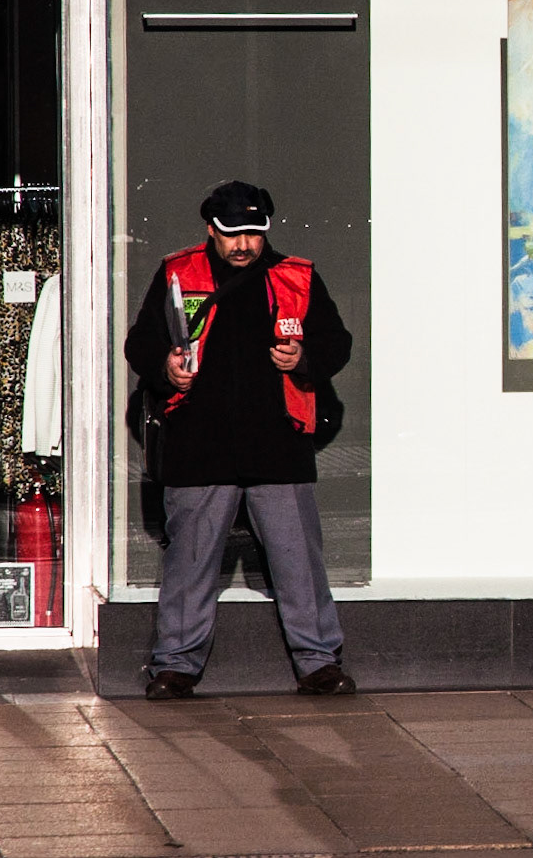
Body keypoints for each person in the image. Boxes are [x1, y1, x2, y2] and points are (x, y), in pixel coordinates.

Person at [125, 180, 355, 697]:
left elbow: (335, 342)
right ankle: (175, 667)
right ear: (211, 229)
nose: (244, 244)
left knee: (299, 562)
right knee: (189, 564)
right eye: (232, 233)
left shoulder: (296, 277)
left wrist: (304, 360)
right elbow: (140, 342)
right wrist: (165, 366)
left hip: (278, 446)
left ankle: (319, 661)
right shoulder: (177, 272)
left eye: (254, 232)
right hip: (198, 445)